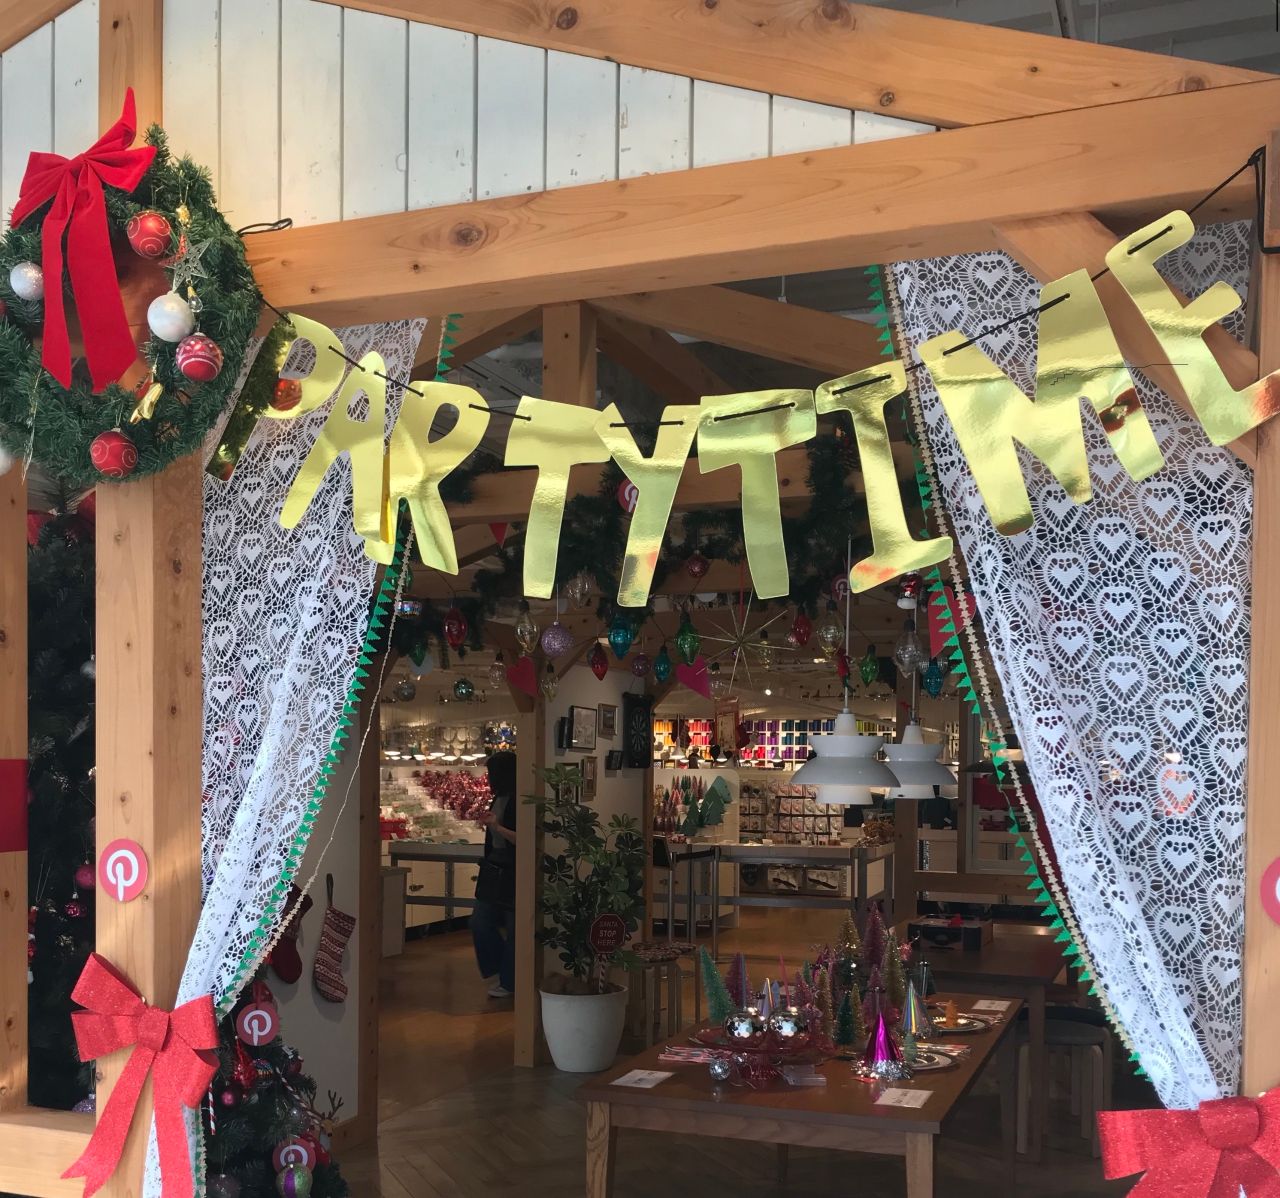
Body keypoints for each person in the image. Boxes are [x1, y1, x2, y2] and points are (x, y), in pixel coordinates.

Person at [472, 751, 517, 998]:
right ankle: (502, 971)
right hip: (493, 867)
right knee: (480, 922)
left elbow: (525, 838)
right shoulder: (499, 796)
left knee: (513, 927)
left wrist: (497, 827)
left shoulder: (519, 799)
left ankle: (509, 980)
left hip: (513, 870)